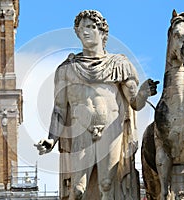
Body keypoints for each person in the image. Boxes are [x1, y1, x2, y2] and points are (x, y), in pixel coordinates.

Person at [35, 10, 159, 200]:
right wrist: (51, 139)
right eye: (82, 28)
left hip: (110, 130)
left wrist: (143, 92)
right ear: (77, 32)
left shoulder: (119, 64)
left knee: (107, 184)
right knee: (76, 190)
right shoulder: (66, 69)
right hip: (80, 131)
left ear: (102, 33)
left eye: (92, 27)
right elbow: (60, 109)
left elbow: (134, 103)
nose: (86, 32)